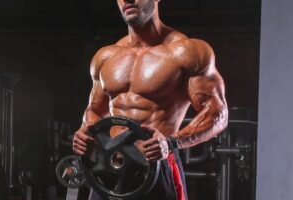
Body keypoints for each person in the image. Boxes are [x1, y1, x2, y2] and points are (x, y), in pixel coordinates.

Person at [73, 0, 228, 199]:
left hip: (155, 167)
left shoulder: (187, 51)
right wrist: (86, 133)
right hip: (110, 167)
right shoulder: (105, 56)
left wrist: (172, 143)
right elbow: (95, 110)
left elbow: (217, 113)